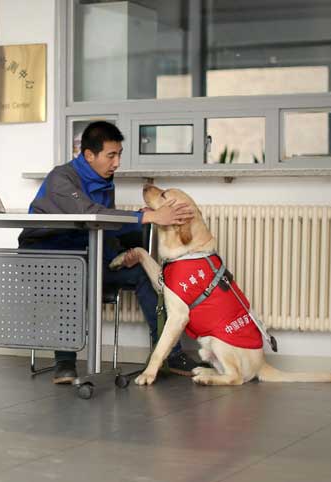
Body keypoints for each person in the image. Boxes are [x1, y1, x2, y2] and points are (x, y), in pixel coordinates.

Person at [18, 121, 199, 384]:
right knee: (71, 271)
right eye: (111, 155)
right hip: (48, 260)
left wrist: (121, 255)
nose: (116, 163)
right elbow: (88, 213)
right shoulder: (61, 178)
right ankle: (65, 362)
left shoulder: (105, 181)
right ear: (89, 155)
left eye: (119, 155)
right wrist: (150, 216)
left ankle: (170, 353)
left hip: (88, 255)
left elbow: (103, 228)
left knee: (141, 273)